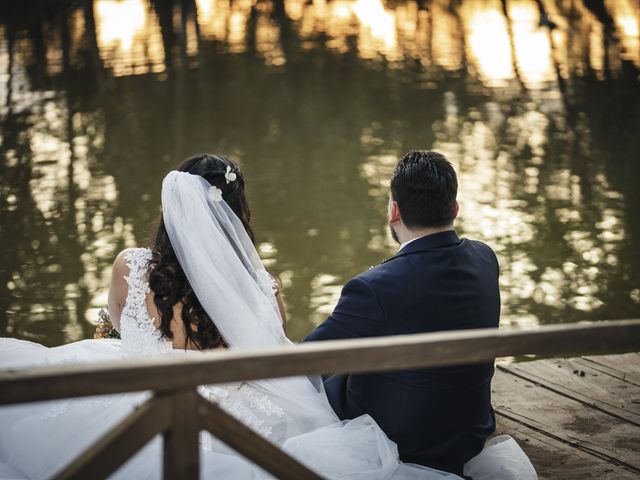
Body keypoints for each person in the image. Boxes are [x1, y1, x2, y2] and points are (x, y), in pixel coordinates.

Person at [0, 154, 467, 480]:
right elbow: (272, 350)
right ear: (237, 214)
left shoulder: (131, 266)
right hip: (231, 422)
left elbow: (119, 326)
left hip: (132, 408)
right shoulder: (260, 285)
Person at [304, 150, 536, 478]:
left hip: (402, 443)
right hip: (467, 433)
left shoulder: (373, 287)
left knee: (320, 379)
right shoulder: (485, 259)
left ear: (394, 211)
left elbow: (303, 359)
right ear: (454, 209)